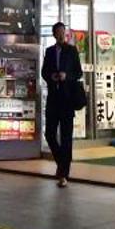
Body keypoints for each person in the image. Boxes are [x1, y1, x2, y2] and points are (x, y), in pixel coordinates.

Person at [42, 21, 84, 187]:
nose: (61, 35)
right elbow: (44, 71)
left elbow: (78, 72)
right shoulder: (49, 51)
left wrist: (67, 76)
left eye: (63, 32)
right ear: (54, 34)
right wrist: (51, 76)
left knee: (66, 137)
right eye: (58, 32)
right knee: (50, 134)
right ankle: (62, 164)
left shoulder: (72, 50)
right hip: (53, 98)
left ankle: (64, 174)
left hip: (67, 99)